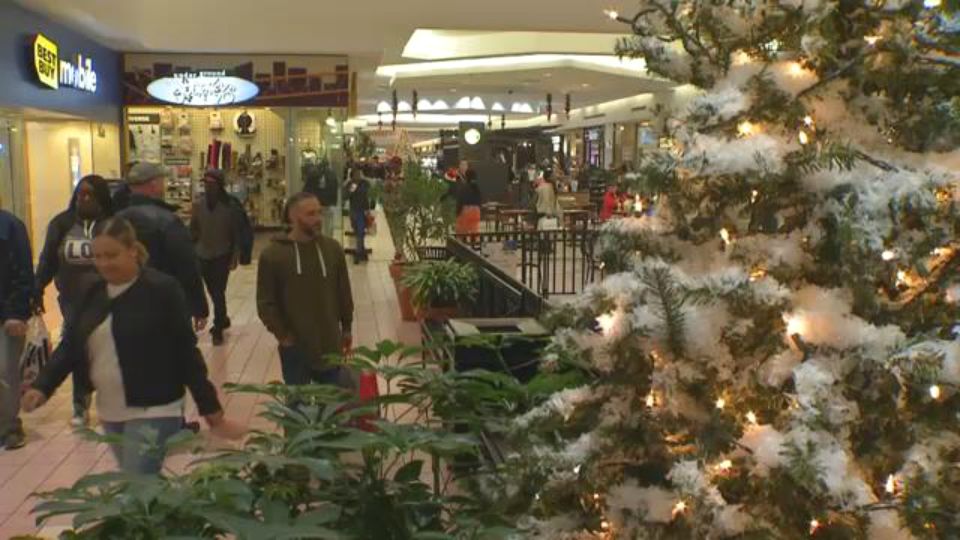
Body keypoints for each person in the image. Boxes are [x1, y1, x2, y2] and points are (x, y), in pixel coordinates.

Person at [22, 218, 242, 474]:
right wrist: (42, 386)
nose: (103, 263)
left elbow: (186, 354)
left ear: (133, 251)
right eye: (98, 256)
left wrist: (212, 412)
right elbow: (71, 345)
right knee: (142, 491)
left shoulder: (161, 290)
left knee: (137, 485)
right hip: (111, 410)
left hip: (156, 409)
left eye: (111, 255)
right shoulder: (92, 293)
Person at [36, 175, 114, 426]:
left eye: (90, 195)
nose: (84, 199)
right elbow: (48, 260)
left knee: (105, 349)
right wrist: (36, 289)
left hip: (107, 298)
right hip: (72, 299)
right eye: (80, 194)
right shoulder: (62, 224)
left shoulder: (113, 224)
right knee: (79, 346)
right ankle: (80, 403)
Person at [257, 192, 354, 388]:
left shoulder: (332, 249)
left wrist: (347, 328)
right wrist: (283, 336)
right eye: (310, 214)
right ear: (293, 217)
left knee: (332, 407)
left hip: (329, 344)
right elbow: (265, 302)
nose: (318, 219)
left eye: (319, 212)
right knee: (298, 410)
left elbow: (343, 291)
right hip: (295, 347)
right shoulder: (273, 255)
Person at [117, 162, 209, 331]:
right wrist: (198, 306)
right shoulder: (168, 221)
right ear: (154, 184)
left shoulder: (116, 221)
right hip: (166, 302)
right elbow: (187, 265)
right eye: (162, 181)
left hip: (126, 301)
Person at [190, 169, 246, 346]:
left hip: (222, 254)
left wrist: (236, 255)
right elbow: (193, 229)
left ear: (219, 185)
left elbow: (237, 233)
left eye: (211, 184)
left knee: (218, 291)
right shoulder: (198, 205)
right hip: (202, 253)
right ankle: (223, 318)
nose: (207, 187)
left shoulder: (231, 206)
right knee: (212, 291)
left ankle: (218, 328)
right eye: (205, 183)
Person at [0, 209, 33, 450]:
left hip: (6, 314)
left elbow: (24, 272)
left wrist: (16, 313)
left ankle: (9, 426)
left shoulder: (10, 226)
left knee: (5, 371)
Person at [344, 169, 370, 265]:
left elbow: (367, 195)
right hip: (353, 210)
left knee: (360, 232)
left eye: (359, 174)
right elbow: (346, 196)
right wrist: (353, 187)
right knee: (357, 231)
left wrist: (368, 210)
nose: (358, 176)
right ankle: (361, 250)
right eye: (356, 174)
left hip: (361, 211)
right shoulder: (351, 184)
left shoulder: (365, 183)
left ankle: (358, 254)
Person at [455, 169, 483, 235]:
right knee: (474, 233)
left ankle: (462, 244)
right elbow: (480, 201)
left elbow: (460, 201)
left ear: (466, 177)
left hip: (466, 212)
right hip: (476, 212)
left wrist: (457, 213)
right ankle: (474, 244)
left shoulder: (464, 188)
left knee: (461, 233)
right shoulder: (477, 188)